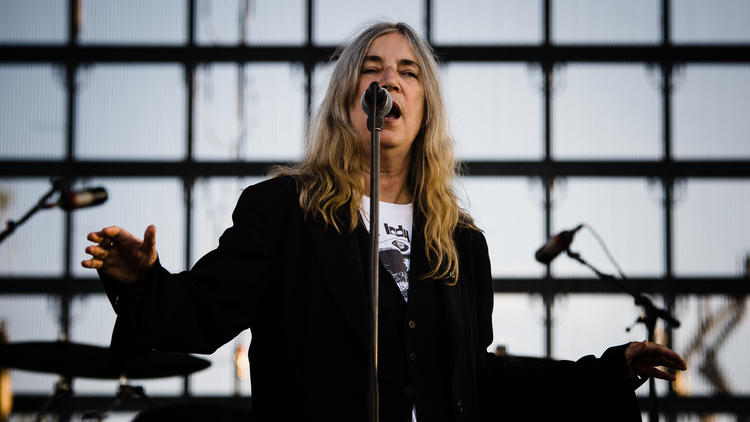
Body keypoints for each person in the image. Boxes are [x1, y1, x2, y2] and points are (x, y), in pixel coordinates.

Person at [82, 22, 686, 422]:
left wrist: (606, 374)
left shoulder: (459, 242)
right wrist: (142, 279)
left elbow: (476, 380)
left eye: (408, 72)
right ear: (349, 99)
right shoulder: (284, 211)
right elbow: (198, 315)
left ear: (424, 108)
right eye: (371, 69)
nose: (388, 79)